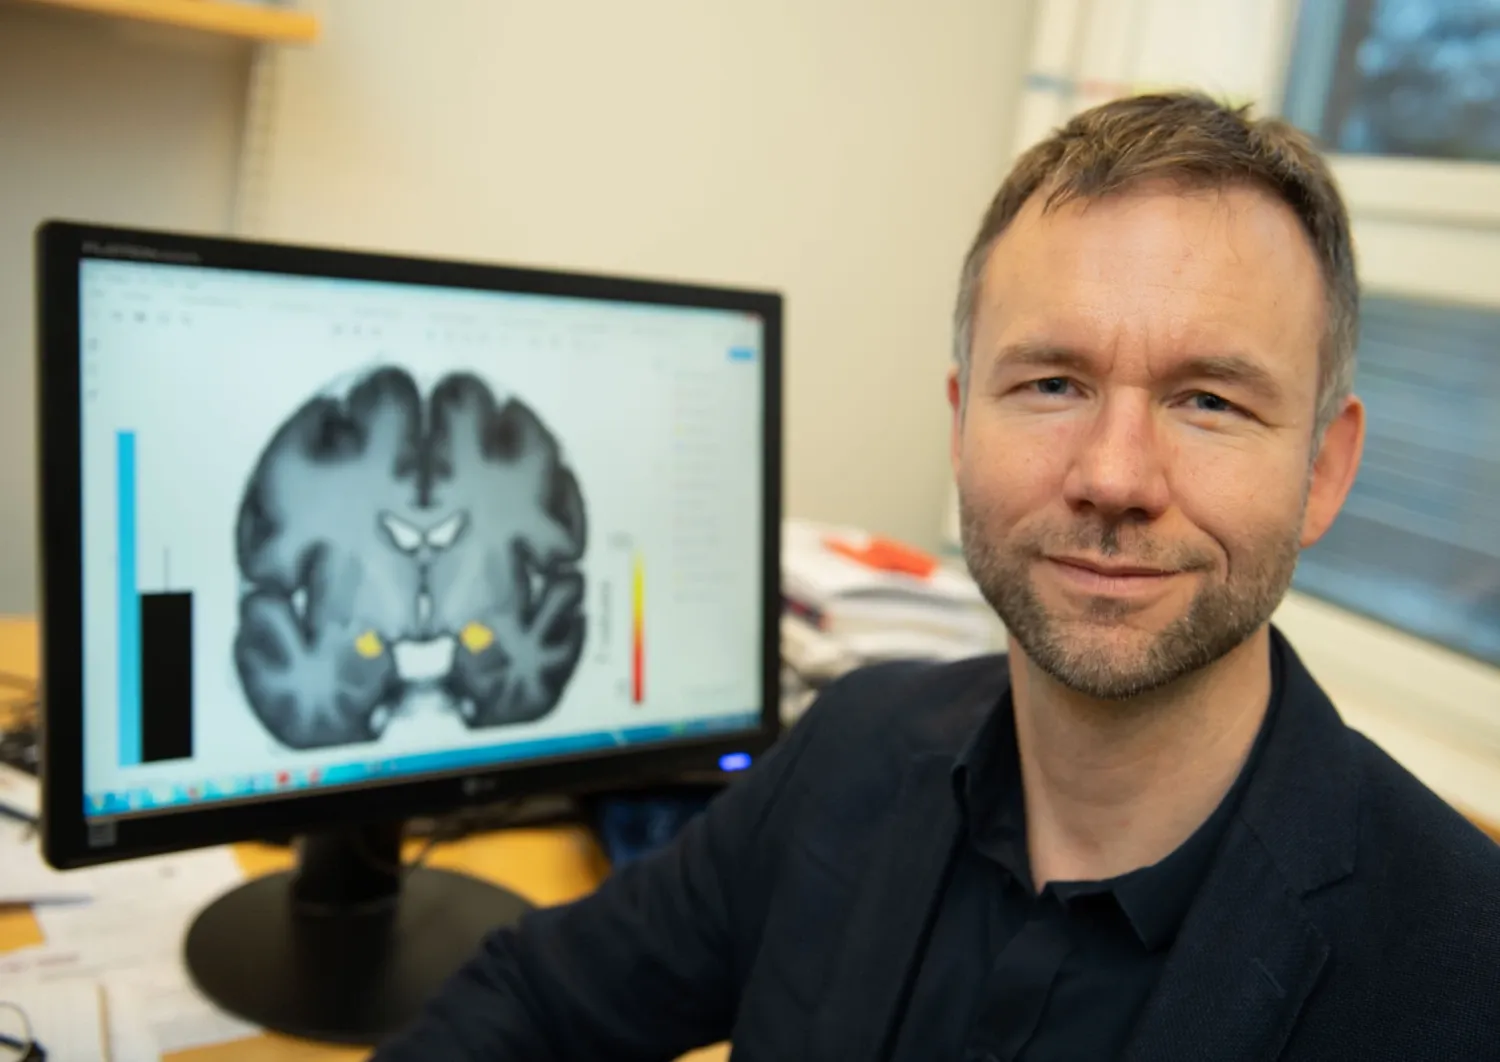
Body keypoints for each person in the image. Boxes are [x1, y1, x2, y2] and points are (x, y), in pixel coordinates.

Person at [374, 92, 1500, 1061]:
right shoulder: (856, 745)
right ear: (961, 424)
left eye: (1208, 400)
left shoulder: (1463, 972)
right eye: (1053, 383)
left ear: (1324, 469)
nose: (1113, 476)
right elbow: (532, 1004)